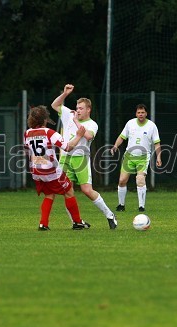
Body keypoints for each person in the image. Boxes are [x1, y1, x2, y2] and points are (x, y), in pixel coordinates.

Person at [51, 84, 118, 229]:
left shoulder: (92, 124)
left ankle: (110, 215)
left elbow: (87, 136)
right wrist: (65, 94)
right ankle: (76, 222)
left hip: (81, 160)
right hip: (65, 158)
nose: (78, 110)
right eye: (77, 107)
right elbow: (55, 104)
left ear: (88, 110)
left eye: (81, 108)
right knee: (66, 191)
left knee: (87, 190)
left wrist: (75, 121)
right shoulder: (69, 114)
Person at [24, 105, 90, 231]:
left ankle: (43, 224)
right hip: (51, 171)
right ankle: (77, 222)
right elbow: (68, 147)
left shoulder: (27, 133)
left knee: (49, 194)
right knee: (69, 191)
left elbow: (27, 151)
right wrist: (79, 135)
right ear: (44, 119)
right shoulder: (50, 133)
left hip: (36, 171)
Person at [110, 104, 162, 212]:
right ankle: (121, 205)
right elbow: (122, 137)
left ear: (146, 113)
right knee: (122, 180)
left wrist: (159, 157)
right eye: (138, 112)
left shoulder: (152, 126)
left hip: (143, 157)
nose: (140, 114)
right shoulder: (130, 123)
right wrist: (115, 146)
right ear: (136, 114)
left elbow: (157, 144)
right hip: (129, 156)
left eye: (142, 112)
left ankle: (141, 207)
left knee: (140, 180)